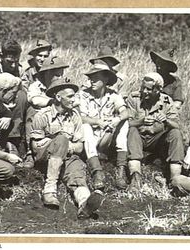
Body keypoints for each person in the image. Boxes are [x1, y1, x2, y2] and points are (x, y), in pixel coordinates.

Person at [29, 77, 103, 219]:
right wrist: (58, 144)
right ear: (58, 97)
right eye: (70, 96)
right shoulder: (42, 116)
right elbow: (35, 147)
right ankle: (49, 191)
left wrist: (65, 148)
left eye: (74, 96)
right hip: (46, 158)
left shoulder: (75, 116)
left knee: (77, 172)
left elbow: (79, 147)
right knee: (62, 139)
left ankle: (84, 203)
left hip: (68, 158)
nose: (74, 99)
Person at [126, 72, 185, 188]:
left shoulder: (167, 101)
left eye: (148, 89)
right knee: (132, 130)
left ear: (158, 90)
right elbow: (126, 123)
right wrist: (140, 122)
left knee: (175, 133)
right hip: (138, 139)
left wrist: (167, 121)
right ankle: (135, 176)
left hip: (157, 141)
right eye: (143, 87)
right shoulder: (134, 98)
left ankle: (176, 179)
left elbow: (177, 125)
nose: (144, 91)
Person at [76, 63, 129, 191]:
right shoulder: (83, 95)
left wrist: (116, 119)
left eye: (96, 78)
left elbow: (125, 112)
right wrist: (97, 121)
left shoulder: (113, 95)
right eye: (90, 78)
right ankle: (97, 172)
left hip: (106, 137)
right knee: (86, 127)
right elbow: (80, 118)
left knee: (124, 123)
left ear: (105, 80)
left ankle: (120, 170)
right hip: (90, 140)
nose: (92, 81)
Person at [23, 56, 70, 168]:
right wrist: (53, 102)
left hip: (59, 122)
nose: (60, 78)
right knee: (31, 112)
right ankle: (31, 152)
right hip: (42, 122)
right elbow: (34, 99)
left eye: (61, 74)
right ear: (47, 74)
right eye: (57, 75)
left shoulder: (63, 86)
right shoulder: (36, 86)